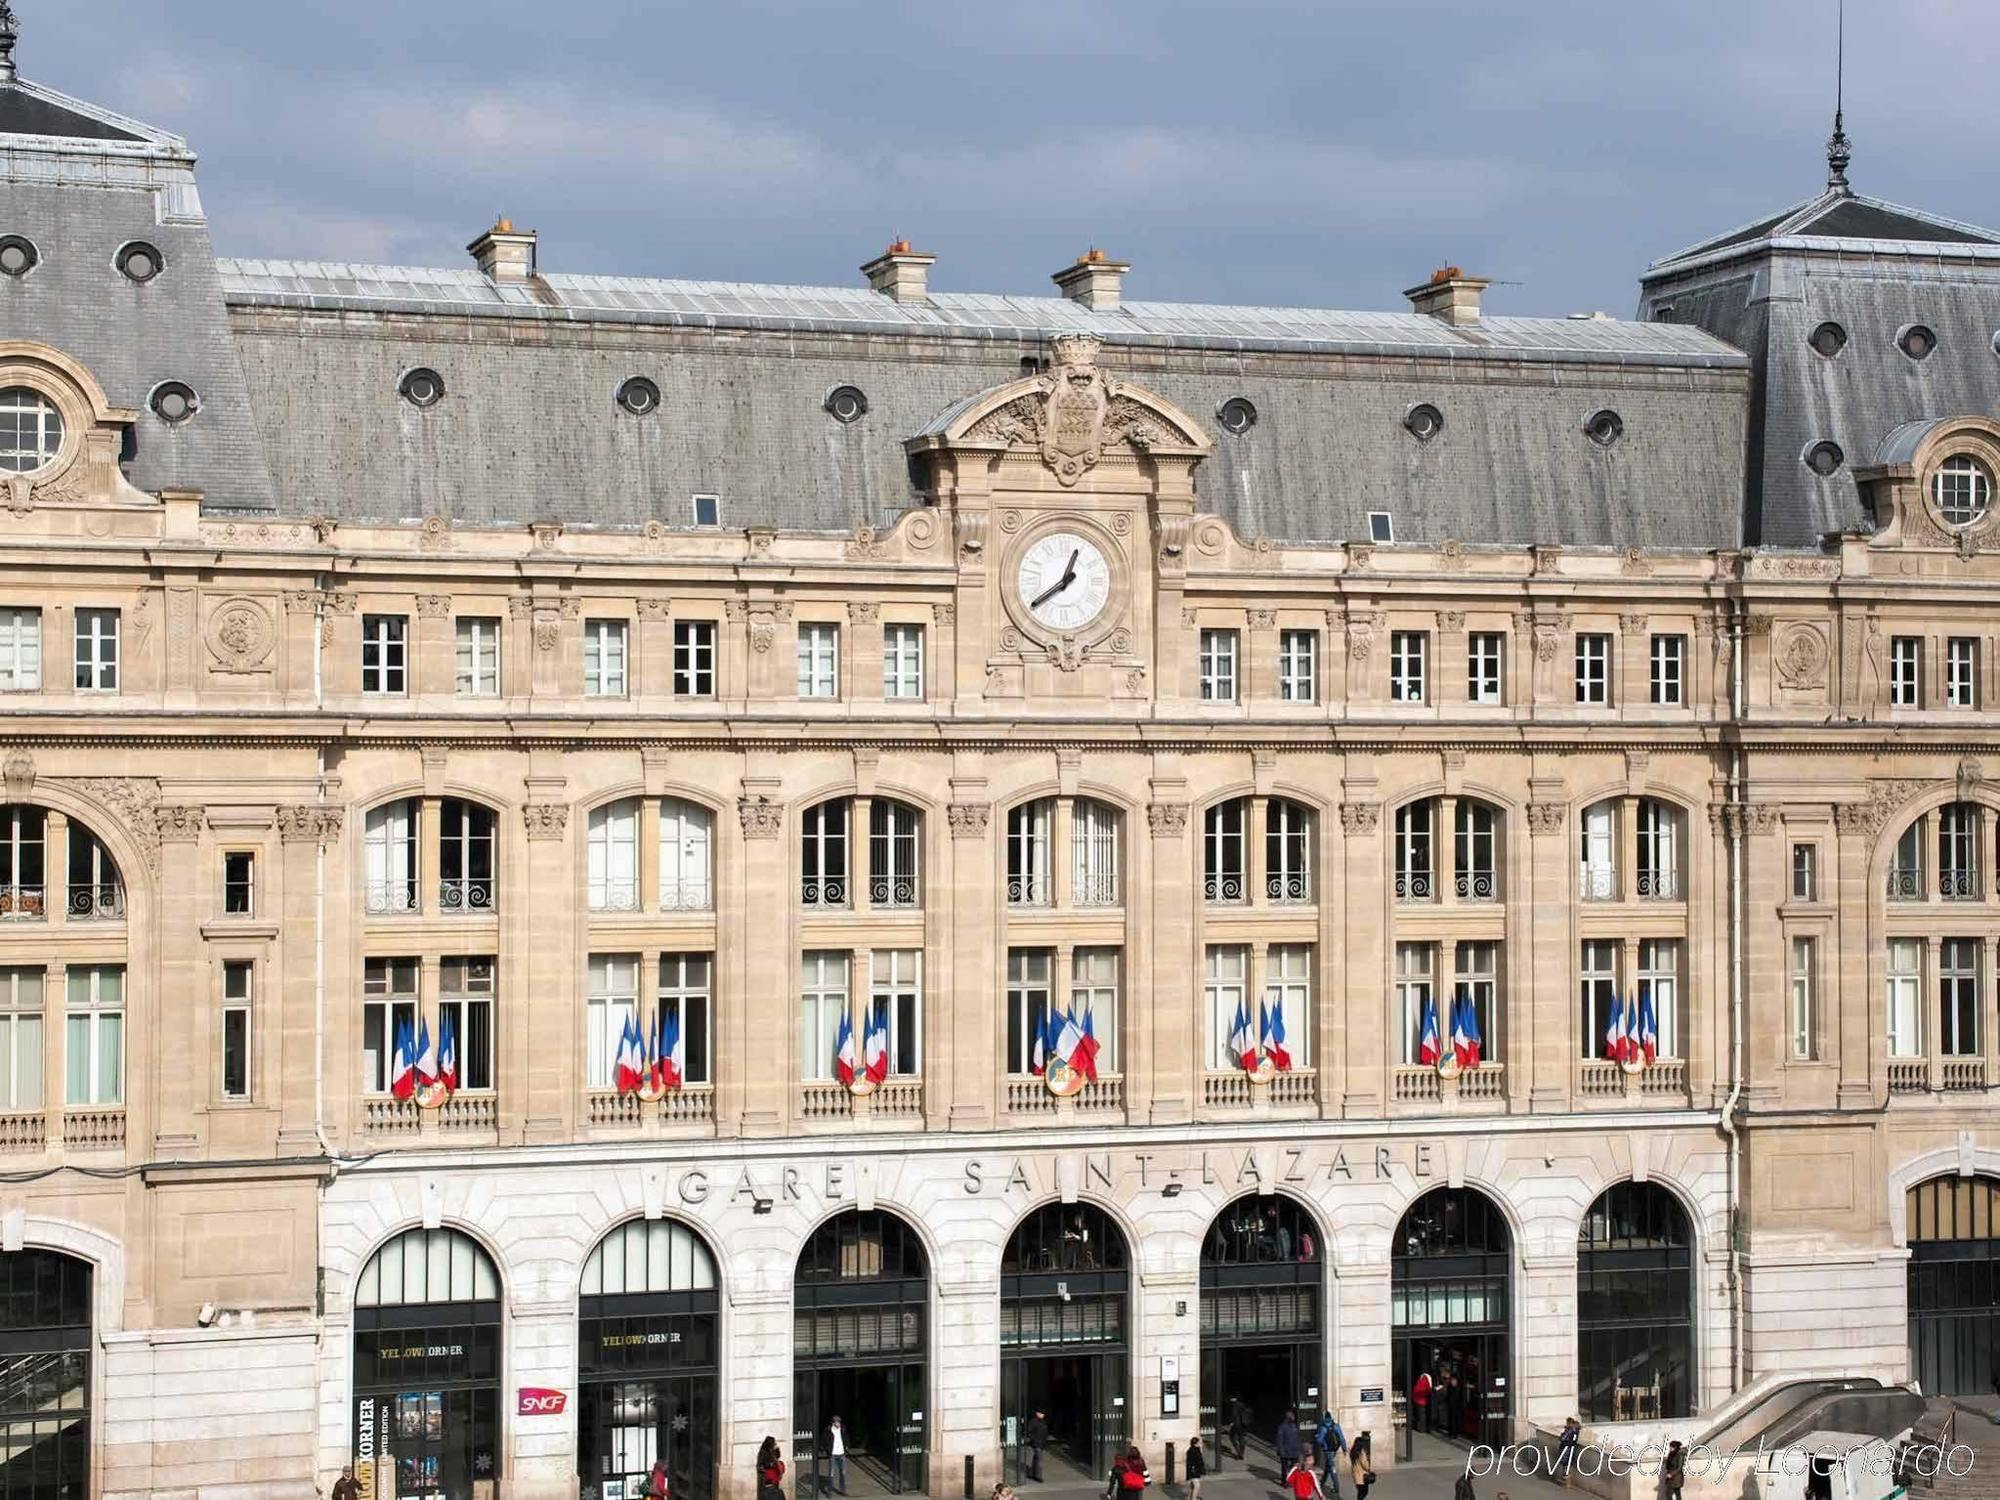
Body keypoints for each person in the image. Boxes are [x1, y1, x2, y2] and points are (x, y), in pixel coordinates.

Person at [1314, 1411, 1347, 1494]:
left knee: (1332, 1469)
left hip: (1327, 1450)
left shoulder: (1323, 1428)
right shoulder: (1336, 1426)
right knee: (1328, 1466)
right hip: (1334, 1450)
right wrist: (1344, 1449)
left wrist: (1317, 1437)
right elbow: (1342, 1438)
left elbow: (1319, 1440)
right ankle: (1321, 1483)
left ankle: (1336, 1487)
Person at [1552, 1416, 1581, 1488]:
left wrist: (1562, 1435)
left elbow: (1563, 1438)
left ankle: (1566, 1482)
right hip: (1572, 1447)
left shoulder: (1570, 1430)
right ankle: (1567, 1481)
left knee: (1565, 1463)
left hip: (1566, 1447)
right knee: (1568, 1463)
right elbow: (1574, 1440)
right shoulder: (1576, 1430)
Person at [1023, 1409, 1049, 1483]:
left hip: (1041, 1443)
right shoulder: (1033, 1422)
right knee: (1039, 1460)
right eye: (1040, 1413)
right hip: (1036, 1444)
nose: (1042, 1415)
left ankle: (1032, 1473)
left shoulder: (1044, 1422)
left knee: (1036, 1459)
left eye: (1043, 1414)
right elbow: (1029, 1432)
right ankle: (1038, 1476)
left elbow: (1045, 1433)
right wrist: (1034, 1440)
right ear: (1037, 1413)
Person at [1348, 1433, 1374, 1500]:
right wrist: (1368, 1468)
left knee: (1360, 1491)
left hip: (1356, 1474)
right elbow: (1364, 1463)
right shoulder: (1361, 1452)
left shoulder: (1352, 1451)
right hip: (1363, 1475)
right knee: (1364, 1492)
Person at [828, 1416, 847, 1497]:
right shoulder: (829, 1430)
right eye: (836, 1422)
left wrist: (847, 1446)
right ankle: (830, 1491)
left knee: (843, 1473)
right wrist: (827, 1450)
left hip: (842, 1454)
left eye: (839, 1422)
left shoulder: (843, 1429)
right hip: (833, 1454)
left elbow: (846, 1438)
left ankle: (842, 1490)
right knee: (831, 1473)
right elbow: (824, 1440)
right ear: (833, 1423)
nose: (838, 1423)